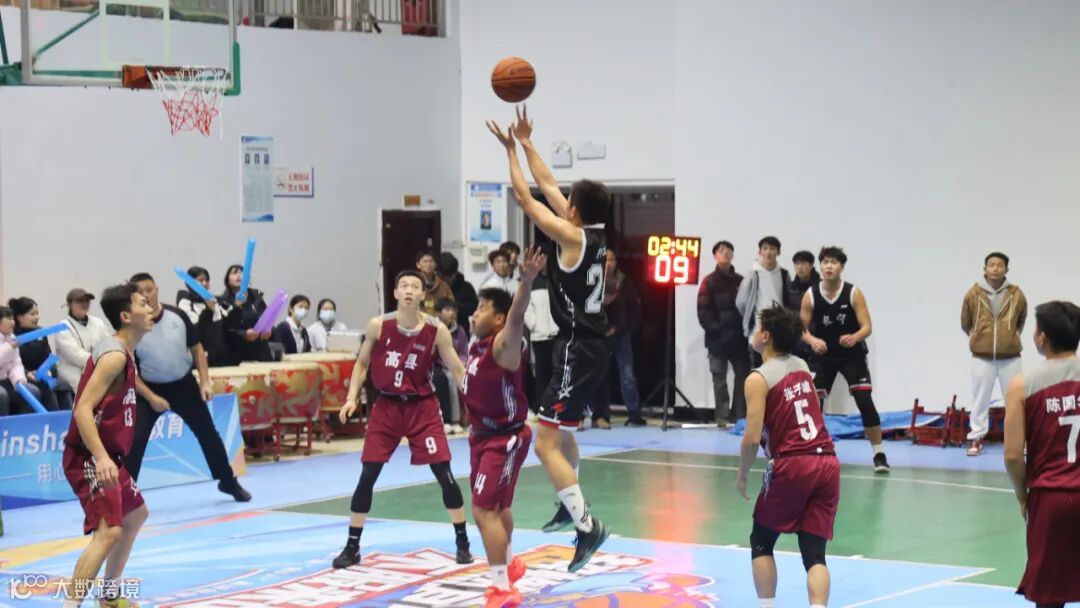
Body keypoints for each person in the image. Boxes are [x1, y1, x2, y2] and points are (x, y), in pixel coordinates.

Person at [488, 105, 610, 572]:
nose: (562, 199)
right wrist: (527, 142)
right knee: (564, 433)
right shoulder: (589, 233)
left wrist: (508, 151)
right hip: (587, 346)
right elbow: (549, 185)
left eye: (567, 199)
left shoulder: (570, 237)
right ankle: (568, 501)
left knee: (544, 444)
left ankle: (588, 526)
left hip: (577, 349)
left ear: (573, 210)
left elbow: (526, 197)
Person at [332, 270, 474, 569]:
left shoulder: (436, 330)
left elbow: (457, 369)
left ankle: (462, 542)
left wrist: (475, 399)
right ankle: (352, 546)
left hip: (422, 407)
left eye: (415, 286)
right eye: (404, 286)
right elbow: (361, 363)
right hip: (386, 407)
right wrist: (351, 397)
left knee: (444, 473)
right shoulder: (378, 326)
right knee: (368, 475)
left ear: (423, 294)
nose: (409, 290)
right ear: (396, 293)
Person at [737, 305, 839, 608]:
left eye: (758, 328)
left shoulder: (758, 379)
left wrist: (742, 473)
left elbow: (751, 437)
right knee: (815, 555)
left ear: (765, 336)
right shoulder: (802, 366)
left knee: (761, 541)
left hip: (794, 463)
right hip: (827, 461)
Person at [60, 283, 155, 608]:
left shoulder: (125, 352)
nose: (150, 308)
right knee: (109, 531)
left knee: (136, 514)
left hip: (109, 455)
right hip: (89, 455)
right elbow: (82, 409)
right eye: (143, 304)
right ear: (126, 316)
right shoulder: (114, 355)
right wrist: (101, 458)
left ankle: (110, 597)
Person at [462, 247, 544, 607]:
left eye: (482, 308)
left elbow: (517, 313)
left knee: (484, 510)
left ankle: (502, 588)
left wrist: (525, 281)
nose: (474, 313)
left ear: (498, 318)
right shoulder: (476, 348)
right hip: (480, 438)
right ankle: (510, 565)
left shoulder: (503, 346)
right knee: (495, 506)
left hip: (503, 439)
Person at [126, 273, 251, 502]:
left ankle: (228, 481)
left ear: (157, 289)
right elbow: (129, 369)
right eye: (140, 292)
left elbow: (197, 349)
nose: (146, 295)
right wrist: (151, 397)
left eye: (149, 290)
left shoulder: (177, 315)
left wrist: (204, 382)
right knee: (135, 439)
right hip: (148, 389)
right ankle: (125, 494)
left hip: (183, 384)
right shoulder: (131, 327)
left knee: (208, 434)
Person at [1004, 300, 1080, 608]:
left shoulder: (1022, 385)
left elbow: (1012, 455)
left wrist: (1023, 495)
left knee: (1050, 596)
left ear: (1042, 337)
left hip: (1051, 499)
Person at [800, 247, 890, 473]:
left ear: (842, 267)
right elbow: (801, 328)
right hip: (824, 356)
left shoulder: (853, 292)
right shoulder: (811, 294)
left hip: (852, 356)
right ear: (820, 266)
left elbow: (867, 326)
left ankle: (879, 453)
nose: (829, 266)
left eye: (834, 262)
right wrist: (812, 340)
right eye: (825, 262)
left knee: (864, 401)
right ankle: (814, 451)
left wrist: (855, 337)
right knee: (813, 403)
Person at [962, 252, 1027, 456]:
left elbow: (1021, 320)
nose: (995, 268)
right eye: (991, 265)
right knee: (980, 399)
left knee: (1015, 400)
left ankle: (1020, 440)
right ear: (985, 269)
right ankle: (976, 438)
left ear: (1006, 270)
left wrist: (1010, 337)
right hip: (982, 356)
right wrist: (977, 337)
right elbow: (965, 322)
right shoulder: (973, 294)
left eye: (1000, 265)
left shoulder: (1016, 294)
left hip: (1011, 357)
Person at [698, 240, 750, 427]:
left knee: (743, 378)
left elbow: (747, 309)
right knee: (719, 380)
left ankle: (739, 415)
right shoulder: (708, 281)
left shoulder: (741, 281)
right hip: (717, 340)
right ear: (715, 256)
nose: (725, 253)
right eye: (721, 251)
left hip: (739, 339)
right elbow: (703, 312)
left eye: (728, 250)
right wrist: (718, 330)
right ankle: (722, 416)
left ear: (733, 255)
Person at [592, 247, 644, 428]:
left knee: (627, 376)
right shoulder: (592, 281)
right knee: (600, 376)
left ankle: (634, 414)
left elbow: (634, 309)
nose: (608, 263)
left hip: (621, 335)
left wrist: (626, 329)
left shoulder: (624, 282)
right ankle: (601, 414)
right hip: (600, 336)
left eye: (612, 260)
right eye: (605, 260)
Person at [737, 236, 793, 367]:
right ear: (760, 252)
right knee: (758, 370)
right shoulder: (753, 275)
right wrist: (750, 319)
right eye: (765, 248)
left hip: (780, 330)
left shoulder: (784, 274)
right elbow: (741, 303)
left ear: (778, 252)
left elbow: (788, 299)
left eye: (772, 248)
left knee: (779, 369)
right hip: (758, 331)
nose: (769, 252)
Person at [55, 289, 113, 396]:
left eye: (87, 301)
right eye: (80, 301)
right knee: (86, 390)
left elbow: (108, 345)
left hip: (98, 367)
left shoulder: (98, 323)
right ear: (70, 305)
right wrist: (100, 361)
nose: (84, 304)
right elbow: (75, 355)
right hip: (72, 370)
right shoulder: (62, 327)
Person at [9, 297, 62, 411]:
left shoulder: (41, 332)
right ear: (20, 317)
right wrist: (27, 373)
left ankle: (65, 420)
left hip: (41, 376)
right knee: (39, 389)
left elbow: (48, 357)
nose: (37, 317)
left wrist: (49, 371)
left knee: (63, 385)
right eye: (32, 314)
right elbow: (11, 364)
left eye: (37, 313)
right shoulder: (12, 337)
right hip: (21, 377)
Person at [0, 306, 49, 416]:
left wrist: (19, 380)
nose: (13, 322)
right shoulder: (12, 343)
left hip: (7, 380)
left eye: (12, 318)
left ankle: (23, 425)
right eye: (8, 319)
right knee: (1, 396)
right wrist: (9, 347)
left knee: (33, 391)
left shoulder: (12, 338)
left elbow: (16, 364)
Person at [176, 266, 229, 366]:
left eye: (207, 280)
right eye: (200, 280)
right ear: (189, 283)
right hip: (200, 358)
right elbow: (196, 331)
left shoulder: (214, 301)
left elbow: (226, 324)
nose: (205, 283)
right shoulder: (185, 303)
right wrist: (208, 310)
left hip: (220, 358)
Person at [219, 264, 272, 364]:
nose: (239, 275)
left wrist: (268, 330)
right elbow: (224, 329)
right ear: (227, 280)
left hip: (260, 351)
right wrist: (244, 334)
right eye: (234, 273)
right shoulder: (223, 301)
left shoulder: (256, 297)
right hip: (236, 354)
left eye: (242, 273)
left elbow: (267, 318)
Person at [524, 267, 558, 416]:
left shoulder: (558, 279)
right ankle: (541, 407)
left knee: (558, 374)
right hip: (540, 336)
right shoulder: (532, 282)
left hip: (558, 335)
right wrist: (535, 325)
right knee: (542, 374)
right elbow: (526, 308)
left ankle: (555, 408)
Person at [434, 298, 467, 432]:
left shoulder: (459, 330)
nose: (451, 313)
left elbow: (464, 352)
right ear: (439, 312)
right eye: (447, 310)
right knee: (449, 379)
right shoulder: (433, 328)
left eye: (453, 310)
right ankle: (452, 420)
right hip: (437, 365)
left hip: (455, 365)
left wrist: (461, 365)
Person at [439, 252, 479, 336]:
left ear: (455, 273)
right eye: (444, 277)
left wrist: (454, 306)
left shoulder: (466, 287)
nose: (447, 280)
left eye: (450, 276)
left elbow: (474, 307)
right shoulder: (435, 287)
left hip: (460, 332)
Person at [417, 249, 455, 315]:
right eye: (425, 261)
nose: (428, 264)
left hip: (438, 320)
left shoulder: (444, 286)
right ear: (418, 265)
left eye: (431, 261)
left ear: (435, 264)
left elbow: (452, 306)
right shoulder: (413, 285)